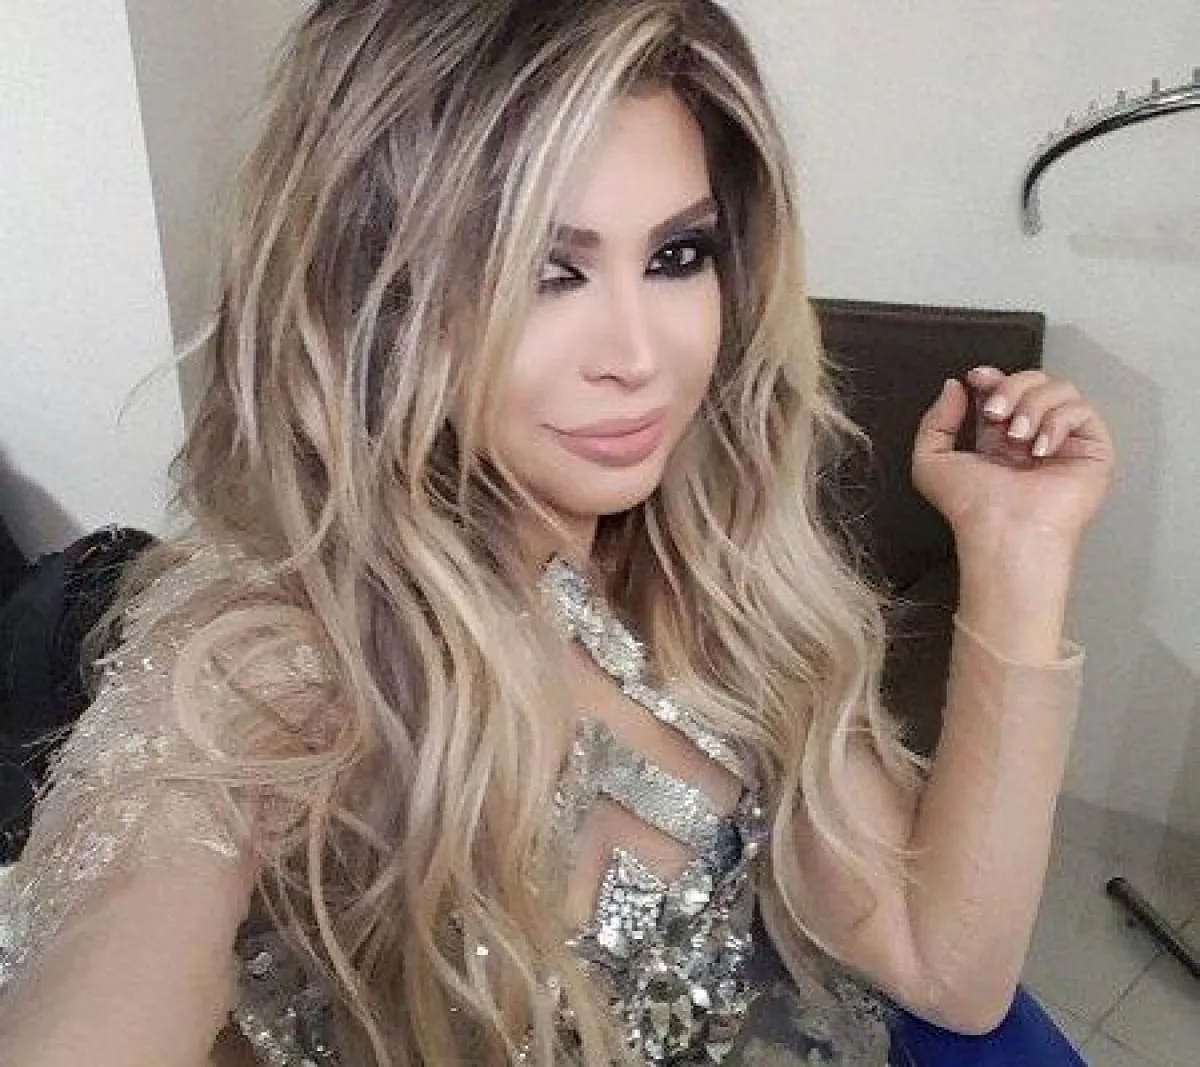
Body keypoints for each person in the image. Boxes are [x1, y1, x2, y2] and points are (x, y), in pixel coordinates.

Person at [0, 1, 1115, 1064]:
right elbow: (114, 970)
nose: (637, 354)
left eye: (676, 256)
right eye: (545, 271)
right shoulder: (269, 660)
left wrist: (1018, 551)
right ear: (374, 297)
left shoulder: (716, 573)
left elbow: (947, 965)